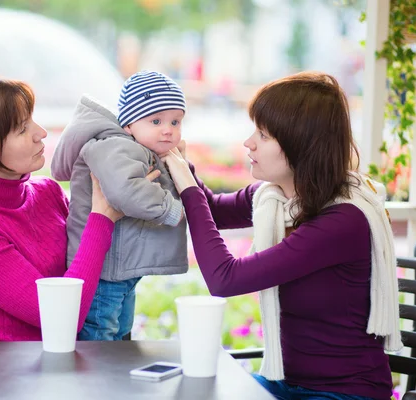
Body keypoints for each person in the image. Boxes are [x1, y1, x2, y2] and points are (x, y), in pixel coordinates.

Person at [162, 72, 401, 400]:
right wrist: (180, 163)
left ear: (299, 144)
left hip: (346, 393)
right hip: (287, 386)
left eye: (262, 134)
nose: (249, 142)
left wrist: (187, 186)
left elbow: (225, 279)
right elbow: (213, 210)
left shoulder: (344, 220)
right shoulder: (276, 197)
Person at [0, 75, 159, 341]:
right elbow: (62, 317)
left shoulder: (47, 193)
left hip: (61, 366)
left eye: (32, 120)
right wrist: (102, 217)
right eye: (21, 128)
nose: (40, 133)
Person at [51, 70, 189, 341]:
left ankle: (113, 376)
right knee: (100, 336)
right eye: (156, 120)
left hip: (116, 269)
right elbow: (124, 190)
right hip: (104, 270)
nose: (168, 129)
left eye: (176, 121)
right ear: (128, 124)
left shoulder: (136, 147)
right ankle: (97, 382)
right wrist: (170, 209)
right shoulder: (116, 146)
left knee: (120, 334)